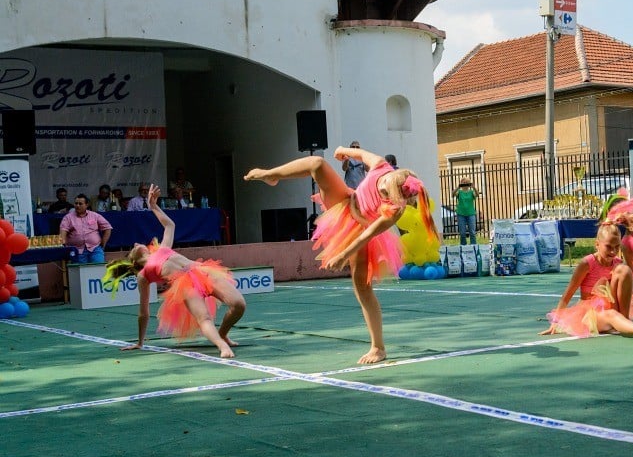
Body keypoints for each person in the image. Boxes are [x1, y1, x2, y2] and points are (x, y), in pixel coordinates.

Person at [244, 145, 437, 364]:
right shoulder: (380, 165)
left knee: (363, 287)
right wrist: (343, 150)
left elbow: (367, 236)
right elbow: (362, 154)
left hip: (361, 230)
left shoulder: (394, 210)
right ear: (390, 174)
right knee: (316, 164)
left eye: (388, 195)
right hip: (345, 202)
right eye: (384, 187)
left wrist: (342, 255)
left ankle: (378, 347)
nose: (383, 191)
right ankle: (271, 175)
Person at [104, 185, 246, 358]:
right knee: (204, 319)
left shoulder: (161, 249)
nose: (135, 244)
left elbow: (169, 225)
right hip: (186, 286)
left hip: (203, 272)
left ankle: (222, 333)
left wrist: (153, 206)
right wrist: (140, 341)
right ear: (133, 259)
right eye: (132, 247)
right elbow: (144, 312)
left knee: (239, 305)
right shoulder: (143, 276)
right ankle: (221, 346)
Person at [540, 222, 633, 340]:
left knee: (624, 270)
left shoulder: (617, 263)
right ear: (597, 244)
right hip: (590, 314)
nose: (613, 252)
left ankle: (624, 321)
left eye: (617, 247)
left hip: (611, 308)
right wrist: (556, 321)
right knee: (611, 315)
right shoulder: (587, 263)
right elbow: (567, 295)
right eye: (608, 247)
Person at [59, 193, 112, 263]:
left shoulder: (94, 215)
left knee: (98, 270)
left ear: (87, 205)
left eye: (80, 204)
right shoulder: (68, 217)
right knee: (81, 273)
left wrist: (103, 244)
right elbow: (63, 232)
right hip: (77, 250)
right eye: (76, 203)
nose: (77, 205)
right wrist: (65, 247)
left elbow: (108, 228)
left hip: (95, 249)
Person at [452, 176, 479, 245]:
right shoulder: (459, 192)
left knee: (472, 232)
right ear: (461, 183)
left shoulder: (471, 192)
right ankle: (463, 246)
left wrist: (474, 187)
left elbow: (477, 195)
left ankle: (473, 246)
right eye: (464, 182)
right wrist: (458, 187)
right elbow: (452, 194)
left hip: (471, 213)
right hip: (461, 214)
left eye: (467, 182)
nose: (465, 184)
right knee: (462, 233)